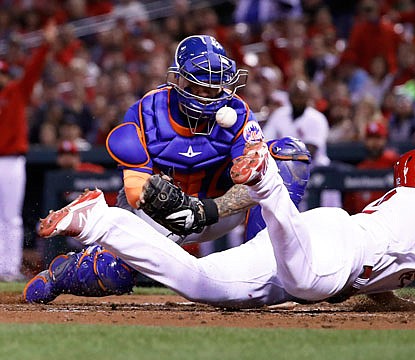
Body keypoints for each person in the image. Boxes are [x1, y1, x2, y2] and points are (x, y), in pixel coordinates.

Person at [33, 144, 415, 313]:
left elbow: (382, 264)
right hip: (324, 251)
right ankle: (268, 178)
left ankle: (100, 221)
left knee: (199, 284)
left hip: (323, 239)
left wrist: (387, 299)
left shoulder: (404, 210)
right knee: (309, 287)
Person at [22, 33, 302, 302]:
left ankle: (272, 268)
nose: (211, 92)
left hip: (218, 209)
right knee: (114, 273)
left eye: (216, 83)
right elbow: (135, 192)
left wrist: (209, 209)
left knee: (287, 156)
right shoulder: (148, 111)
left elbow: (256, 180)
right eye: (202, 82)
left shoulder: (239, 113)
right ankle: (65, 272)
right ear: (181, 79)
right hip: (161, 212)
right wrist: (171, 204)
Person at [0, 22, 58, 282]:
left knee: (11, 217)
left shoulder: (15, 91)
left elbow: (33, 71)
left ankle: (9, 269)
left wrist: (45, 45)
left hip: (12, 161)